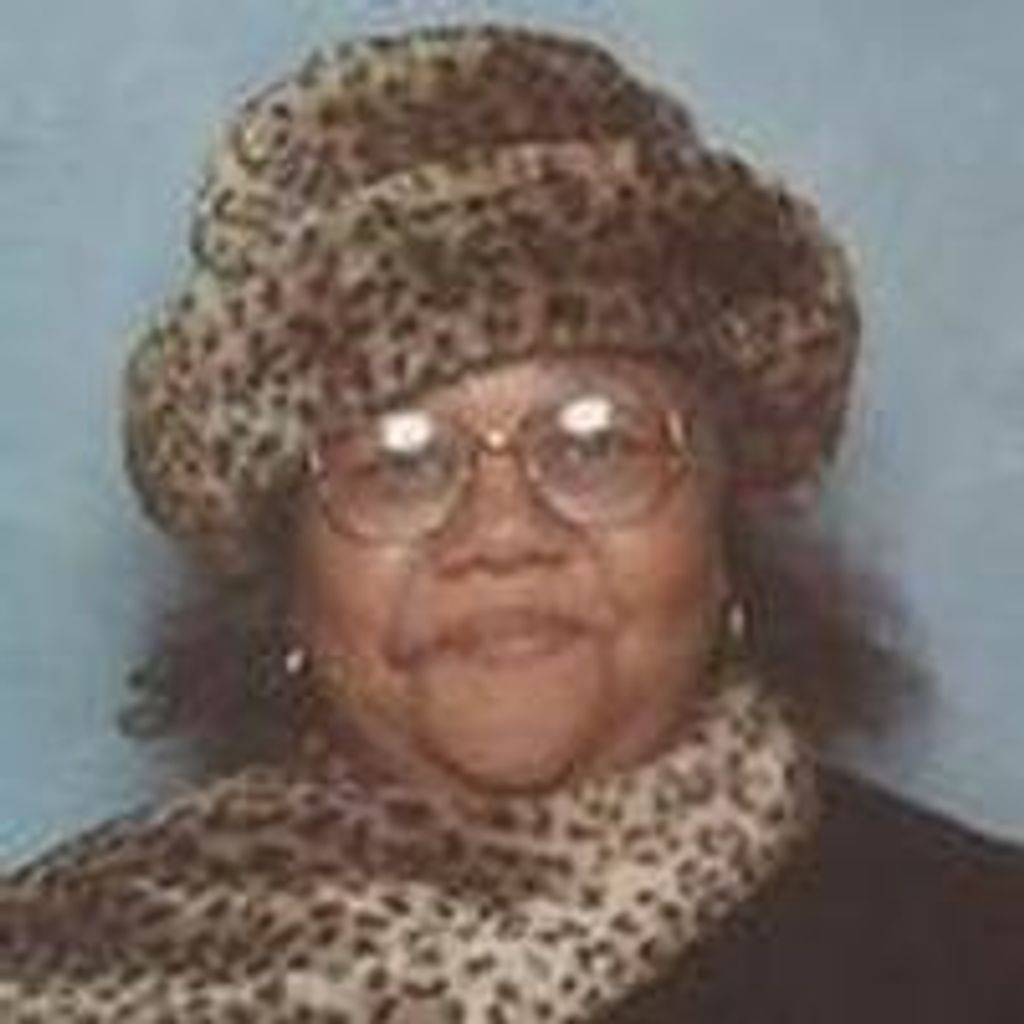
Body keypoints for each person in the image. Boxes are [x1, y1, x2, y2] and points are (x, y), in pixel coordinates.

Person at [1, 23, 1021, 1023]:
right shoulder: (54, 969)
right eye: (399, 463)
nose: (501, 532)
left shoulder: (982, 950)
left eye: (595, 442)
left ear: (724, 533)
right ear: (288, 582)